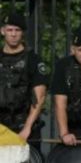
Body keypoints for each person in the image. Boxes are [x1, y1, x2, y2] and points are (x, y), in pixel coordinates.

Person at [0, 11, 48, 149]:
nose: (13, 34)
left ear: (22, 33)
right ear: (2, 31)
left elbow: (40, 97)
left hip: (25, 126)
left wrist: (27, 128)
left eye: (17, 30)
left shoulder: (33, 60)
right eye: (9, 30)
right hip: (1, 126)